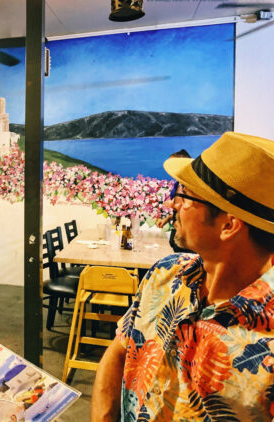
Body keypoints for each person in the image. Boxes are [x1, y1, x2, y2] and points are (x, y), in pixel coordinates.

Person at [91, 132, 274, 421]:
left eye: (185, 195)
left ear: (229, 225)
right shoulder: (165, 273)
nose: (173, 205)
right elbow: (118, 352)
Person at [156, 149, 191, 253]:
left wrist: (174, 205)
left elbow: (187, 208)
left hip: (185, 235)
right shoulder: (179, 183)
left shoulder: (188, 185)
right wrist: (168, 218)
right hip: (178, 232)